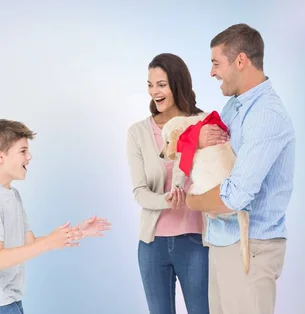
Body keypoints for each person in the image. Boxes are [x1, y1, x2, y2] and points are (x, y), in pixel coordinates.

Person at [185, 23, 295, 314]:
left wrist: (192, 201)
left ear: (241, 61)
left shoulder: (266, 115)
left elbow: (235, 196)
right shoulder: (233, 108)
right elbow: (217, 165)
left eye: (216, 63)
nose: (211, 73)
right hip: (222, 240)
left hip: (252, 246)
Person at [0, 119, 111, 314]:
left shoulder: (12, 195)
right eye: (23, 151)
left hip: (8, 298)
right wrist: (50, 242)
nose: (29, 157)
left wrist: (76, 232)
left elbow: (30, 242)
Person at [126, 53, 210, 314]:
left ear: (177, 83)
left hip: (196, 241)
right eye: (150, 85)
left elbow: (218, 175)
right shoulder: (138, 132)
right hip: (153, 246)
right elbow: (139, 192)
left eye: (161, 84)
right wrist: (166, 200)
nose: (154, 92)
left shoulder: (203, 124)